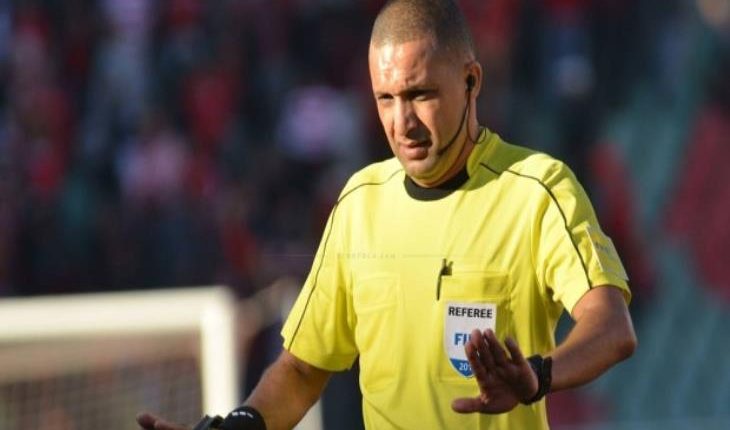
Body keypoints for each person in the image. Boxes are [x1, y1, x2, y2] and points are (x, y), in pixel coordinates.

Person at [137, 0, 637, 429]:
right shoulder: (359, 203)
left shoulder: (537, 190)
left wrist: (538, 376)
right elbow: (303, 369)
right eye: (386, 98)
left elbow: (612, 327)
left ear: (471, 81)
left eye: (421, 95)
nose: (403, 122)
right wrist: (241, 424)